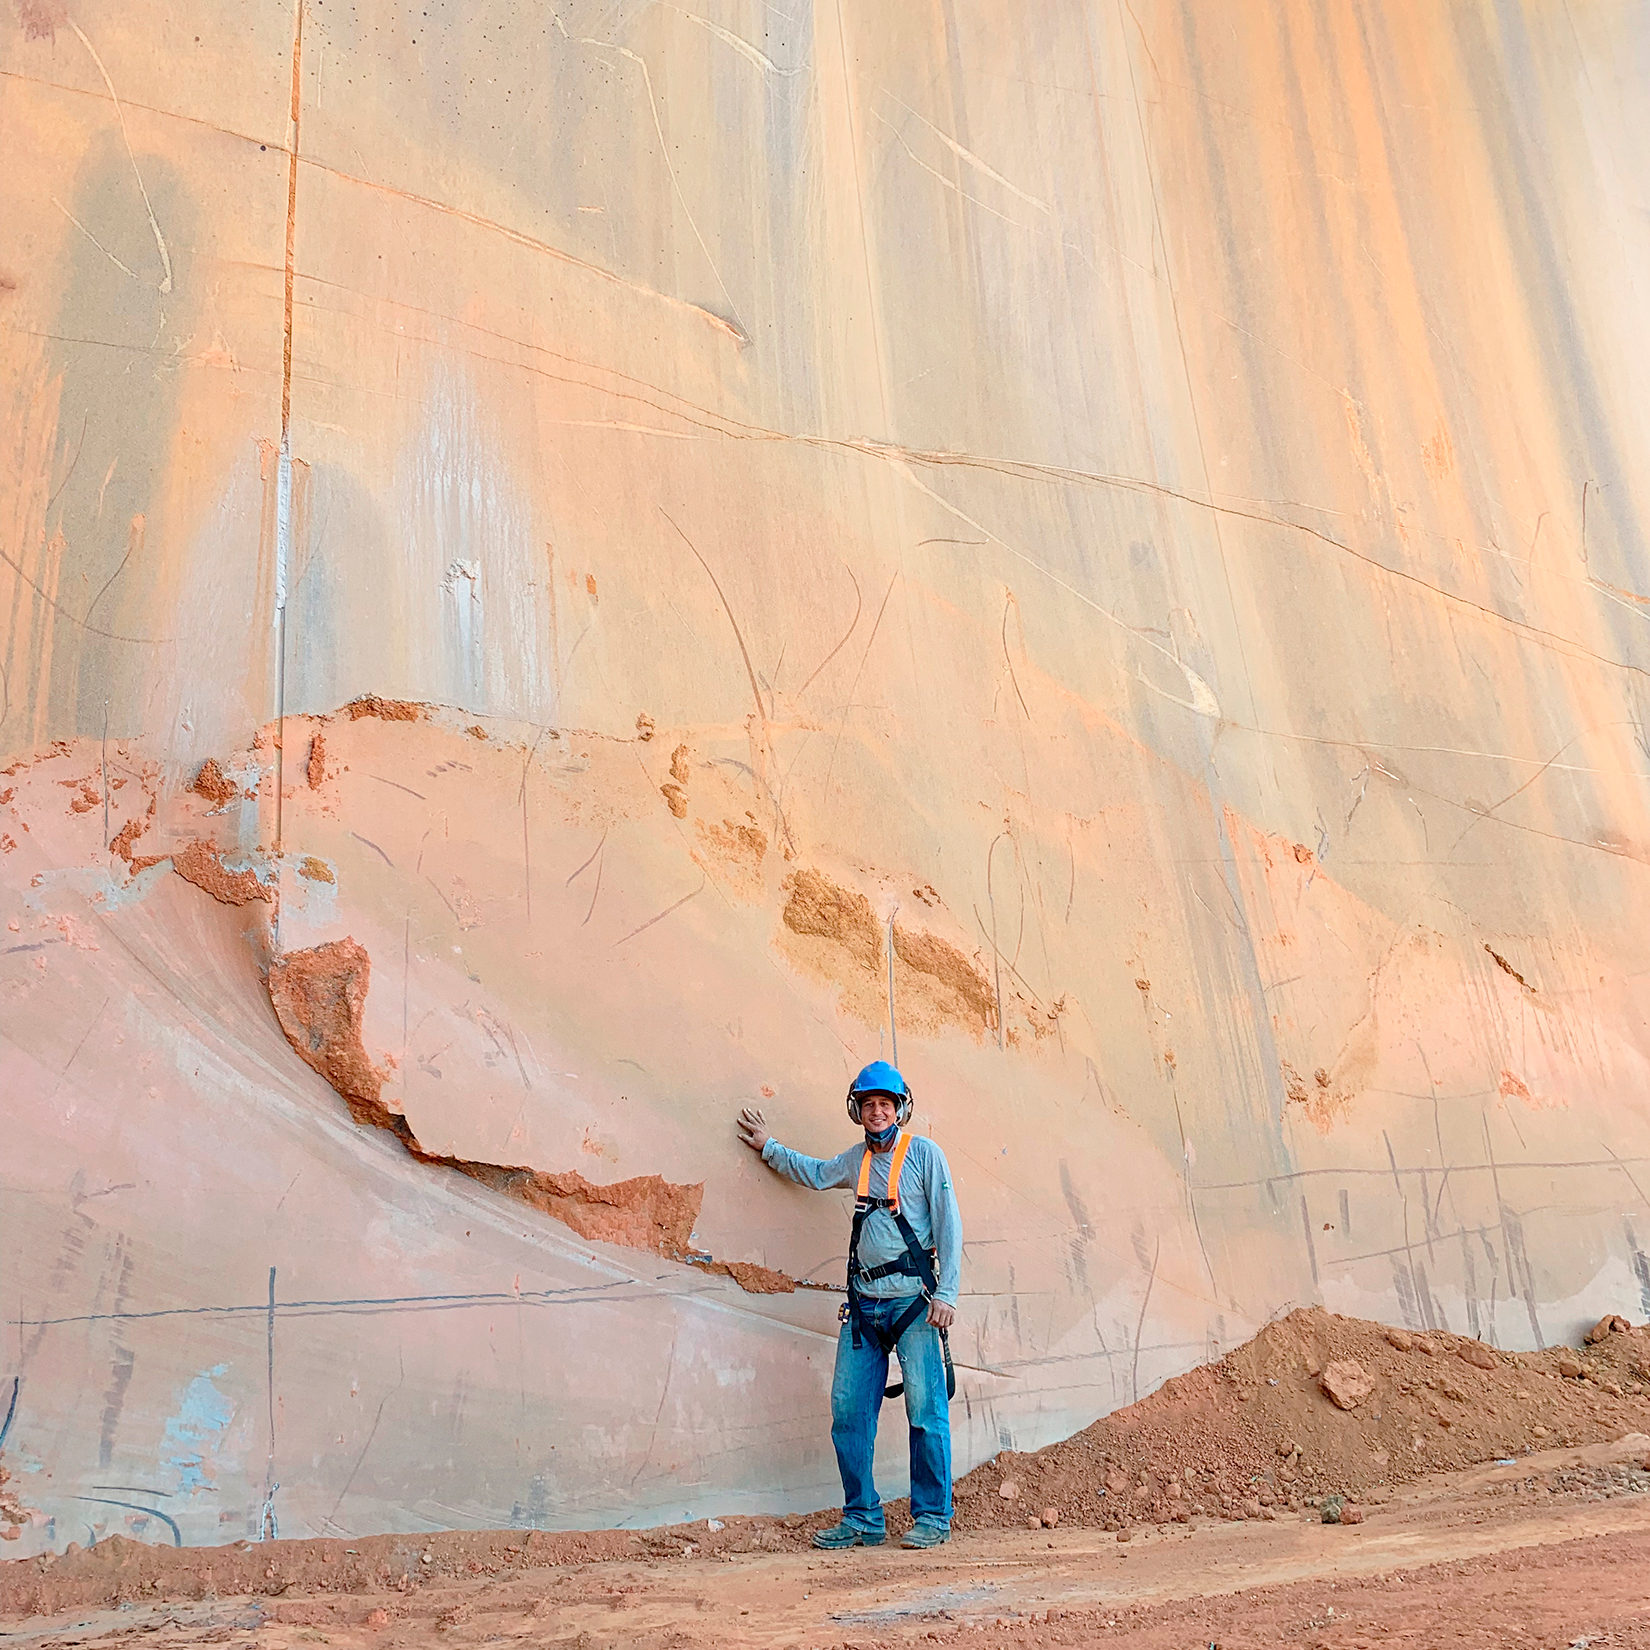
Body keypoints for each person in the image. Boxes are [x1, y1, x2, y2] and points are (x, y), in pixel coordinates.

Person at [736, 1060, 961, 1549]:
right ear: (857, 1110)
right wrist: (768, 1149)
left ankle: (933, 1518)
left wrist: (947, 1295)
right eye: (868, 1104)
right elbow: (816, 1174)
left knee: (926, 1412)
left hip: (915, 1307)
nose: (876, 1112)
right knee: (848, 1412)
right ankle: (862, 1517)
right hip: (863, 1308)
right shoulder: (855, 1160)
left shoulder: (924, 1155)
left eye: (885, 1104)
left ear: (900, 1109)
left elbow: (949, 1225)